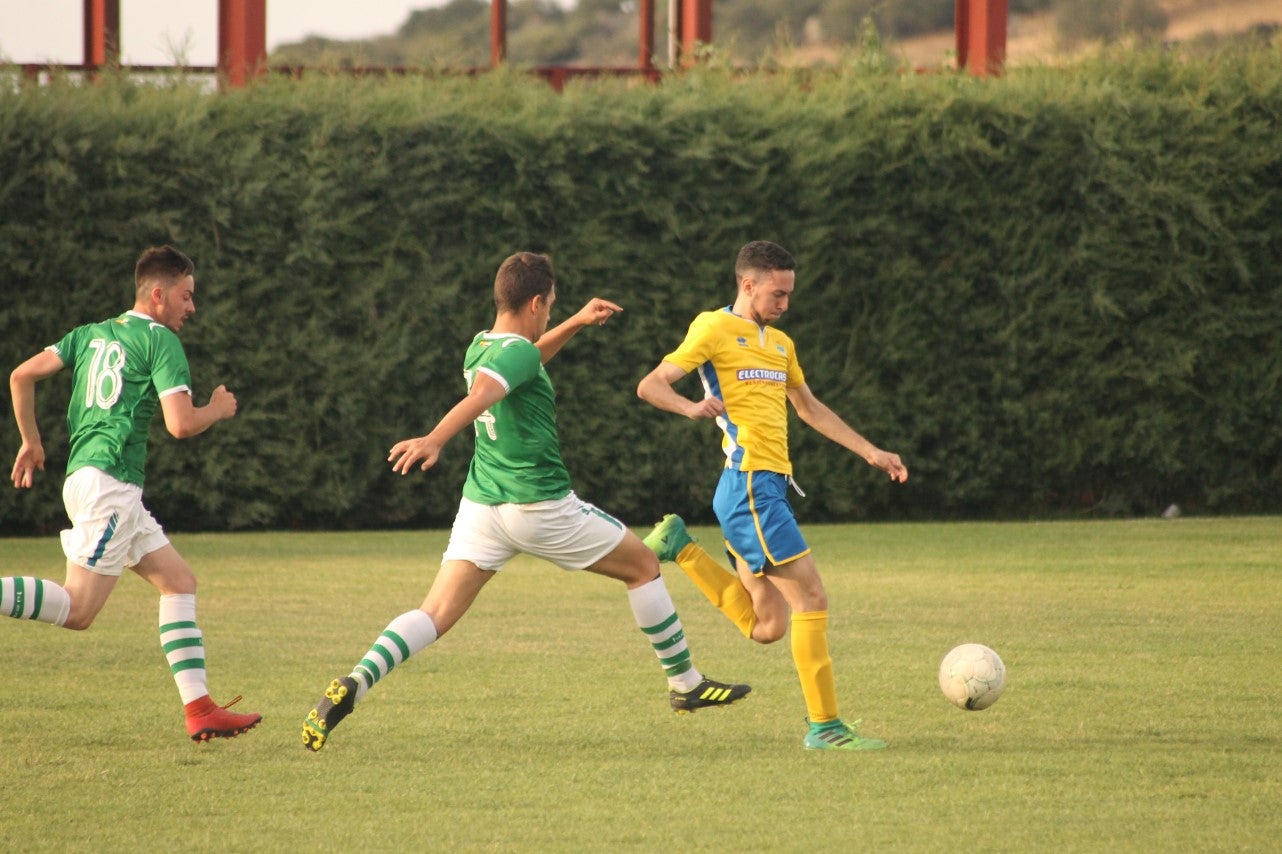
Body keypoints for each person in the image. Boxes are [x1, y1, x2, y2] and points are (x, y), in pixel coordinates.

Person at [301, 251, 749, 752]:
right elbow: (486, 395)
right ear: (535, 302)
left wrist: (577, 321)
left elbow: (525, 360)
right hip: (540, 507)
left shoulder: (482, 345)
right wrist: (435, 437)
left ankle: (355, 683)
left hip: (482, 507)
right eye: (553, 307)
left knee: (434, 613)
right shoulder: (511, 357)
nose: (552, 315)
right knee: (644, 564)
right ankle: (686, 685)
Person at [636, 240, 908, 752]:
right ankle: (825, 726)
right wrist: (690, 408)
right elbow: (651, 385)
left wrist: (870, 451)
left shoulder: (781, 344)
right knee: (812, 598)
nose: (784, 303)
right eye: (777, 293)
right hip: (750, 486)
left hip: (763, 489)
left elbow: (808, 407)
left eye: (789, 294)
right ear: (748, 284)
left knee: (767, 627)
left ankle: (680, 547)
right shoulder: (713, 327)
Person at [6, 245, 262, 742]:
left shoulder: (89, 334)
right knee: (79, 611)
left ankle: (200, 708)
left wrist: (31, 441)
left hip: (89, 482)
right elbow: (182, 424)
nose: (192, 308)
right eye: (187, 297)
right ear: (159, 294)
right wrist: (217, 408)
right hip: (111, 489)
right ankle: (200, 709)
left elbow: (21, 375)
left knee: (179, 582)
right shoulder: (160, 341)